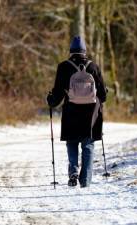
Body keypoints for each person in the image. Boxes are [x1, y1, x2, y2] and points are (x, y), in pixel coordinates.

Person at [47, 36, 107, 188]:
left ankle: (73, 172)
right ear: (84, 51)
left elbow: (58, 95)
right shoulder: (93, 67)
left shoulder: (63, 67)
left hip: (71, 111)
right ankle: (85, 181)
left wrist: (50, 100)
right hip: (91, 113)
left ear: (71, 51)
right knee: (88, 145)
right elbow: (103, 95)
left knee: (72, 142)